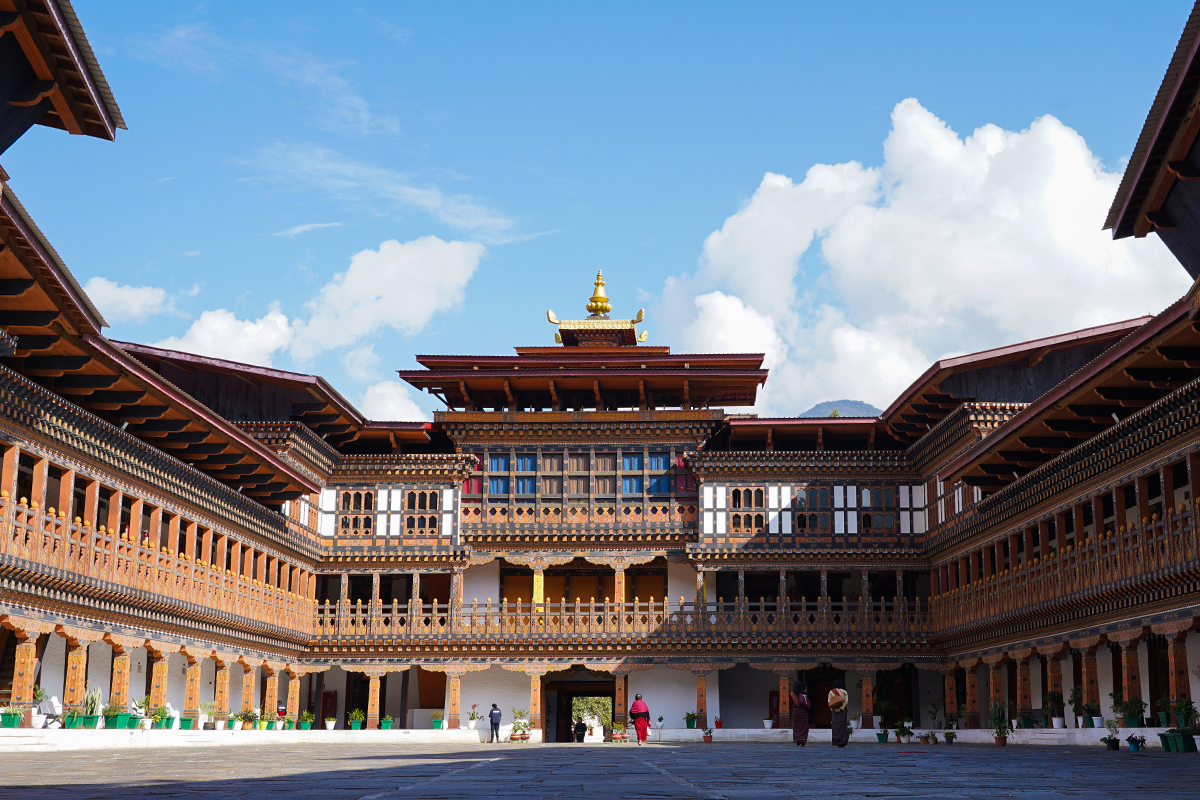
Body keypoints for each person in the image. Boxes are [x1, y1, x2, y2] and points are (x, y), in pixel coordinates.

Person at [788, 680, 811, 747]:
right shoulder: (804, 693)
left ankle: (797, 740)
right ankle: (803, 741)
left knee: (796, 726)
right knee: (803, 726)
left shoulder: (792, 694)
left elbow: (790, 703)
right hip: (803, 712)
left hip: (796, 712)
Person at [828, 679, 849, 748]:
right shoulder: (844, 692)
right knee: (842, 726)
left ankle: (836, 741)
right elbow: (846, 701)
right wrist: (841, 708)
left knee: (835, 726)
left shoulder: (831, 692)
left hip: (834, 711)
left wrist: (834, 708)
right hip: (842, 711)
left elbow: (829, 702)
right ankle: (842, 742)